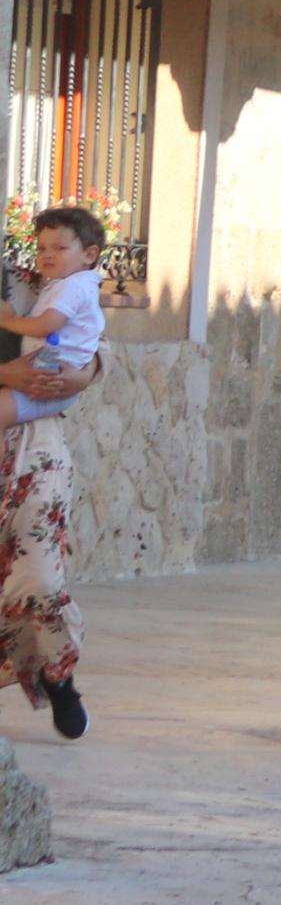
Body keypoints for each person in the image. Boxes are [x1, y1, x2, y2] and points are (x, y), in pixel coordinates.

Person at [0, 204, 107, 737]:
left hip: (34, 439)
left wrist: (81, 376)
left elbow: (81, 346)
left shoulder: (24, 279)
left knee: (40, 577)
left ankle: (57, 673)